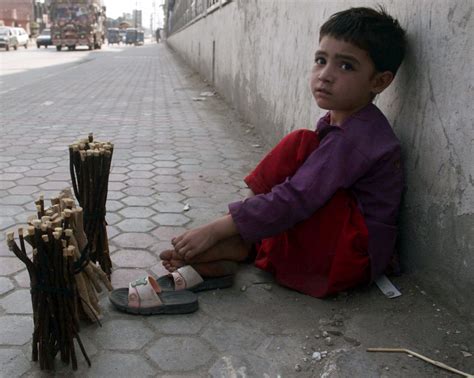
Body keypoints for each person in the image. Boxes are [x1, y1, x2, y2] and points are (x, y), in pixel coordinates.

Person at [160, 6, 407, 298]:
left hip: (350, 258)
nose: (325, 75)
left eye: (346, 66)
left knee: (299, 182)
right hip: (337, 243)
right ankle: (244, 241)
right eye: (320, 60)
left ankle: (242, 240)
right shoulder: (341, 120)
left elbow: (298, 197)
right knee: (300, 144)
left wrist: (217, 229)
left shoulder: (355, 137)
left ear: (379, 81)